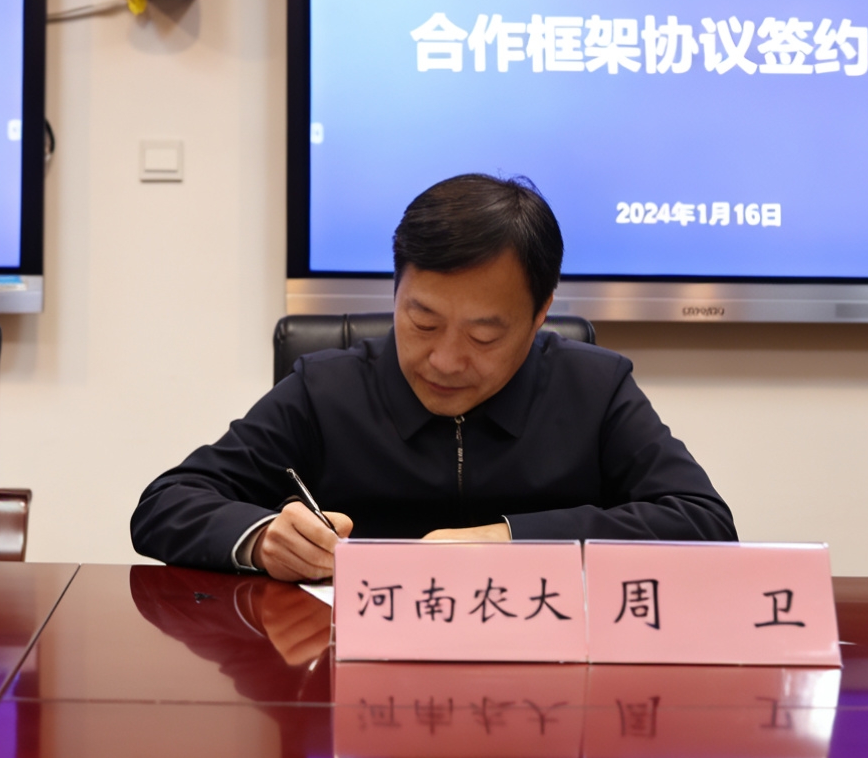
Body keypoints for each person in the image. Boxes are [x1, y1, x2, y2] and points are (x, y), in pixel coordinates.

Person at [130, 172, 733, 577]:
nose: (444, 360)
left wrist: (507, 539)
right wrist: (263, 537)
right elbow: (165, 504)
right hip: (358, 681)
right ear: (395, 291)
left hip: (540, 678)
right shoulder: (326, 389)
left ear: (541, 312)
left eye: (484, 335)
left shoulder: (593, 388)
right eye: (422, 321)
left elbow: (704, 523)